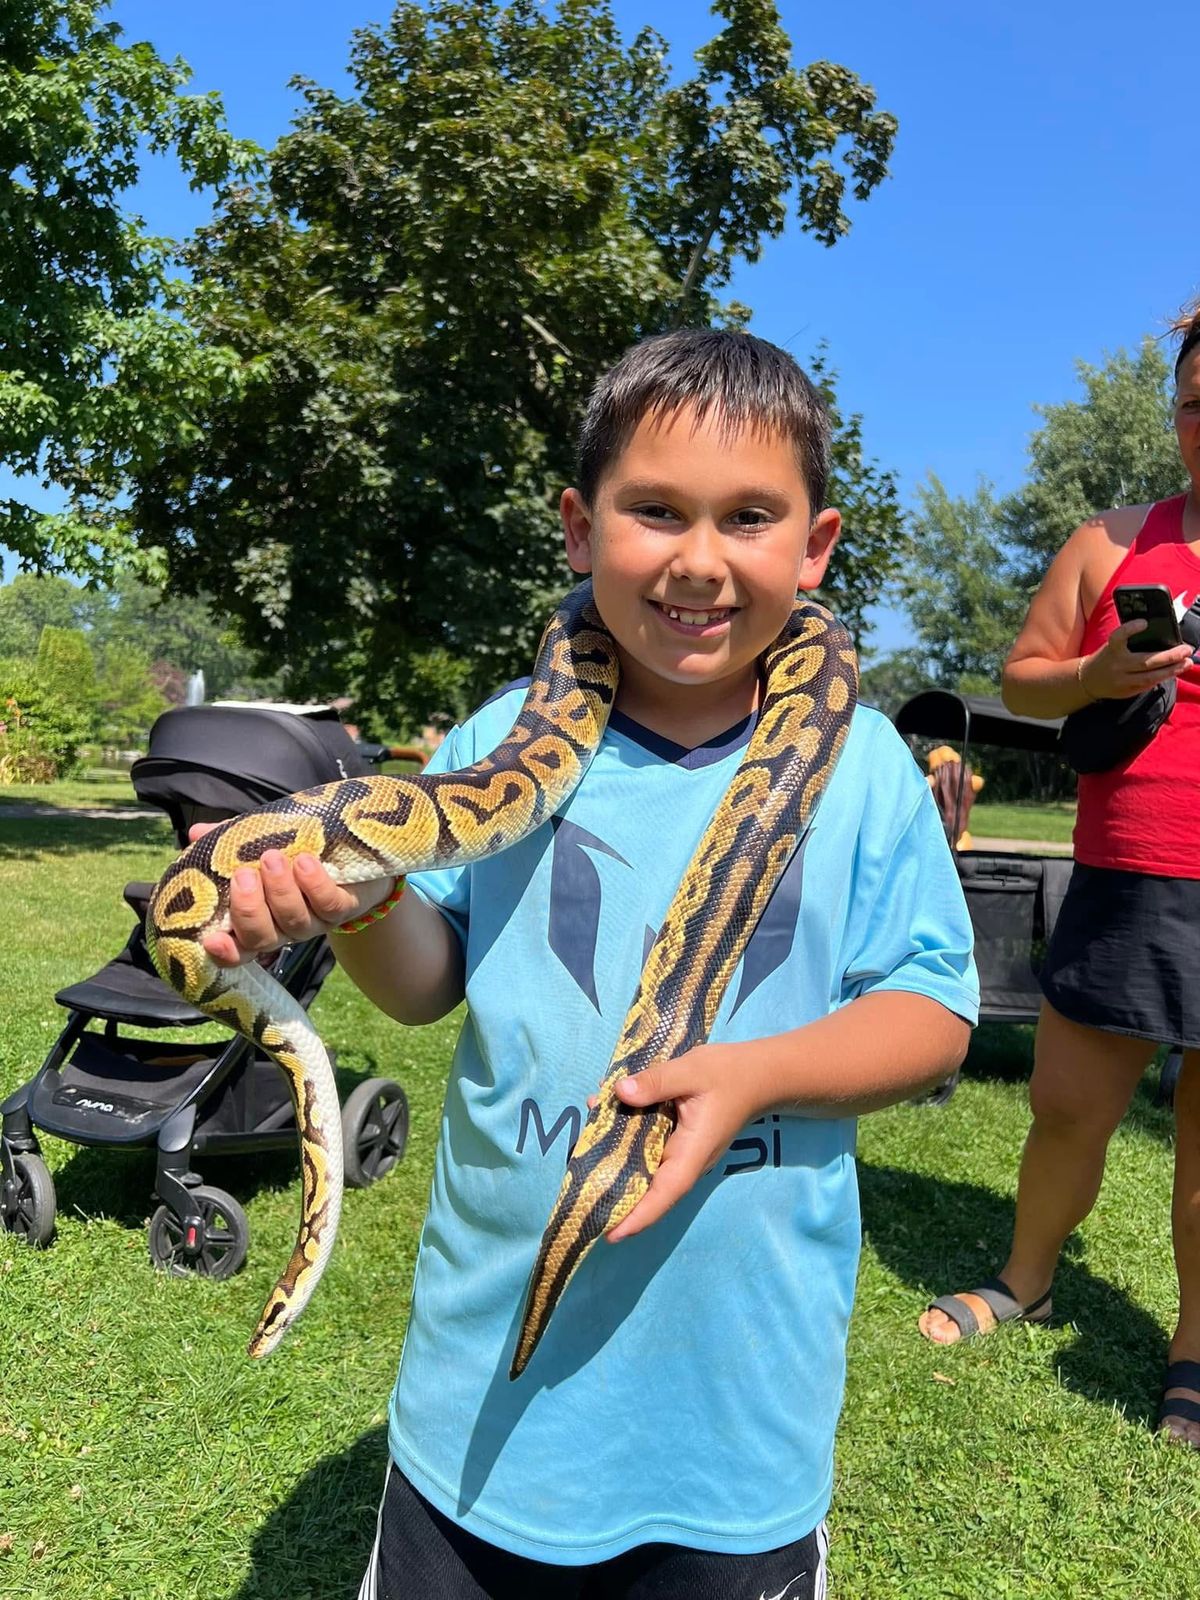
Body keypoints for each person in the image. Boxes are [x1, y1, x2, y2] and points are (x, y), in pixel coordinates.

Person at [198, 330, 978, 1599]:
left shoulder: (868, 764)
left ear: (816, 548)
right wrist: (356, 899)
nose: (700, 560)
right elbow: (425, 983)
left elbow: (937, 1014)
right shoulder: (508, 733)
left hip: (736, 1423)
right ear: (579, 526)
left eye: (749, 518)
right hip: (477, 1404)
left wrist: (761, 1073)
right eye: (656, 511)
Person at [918, 304, 1200, 1447]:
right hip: (1128, 870)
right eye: (1196, 401)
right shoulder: (1112, 539)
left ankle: (1193, 1348)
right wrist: (1095, 671)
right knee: (1066, 1109)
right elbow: (1025, 681)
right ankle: (1026, 1279)